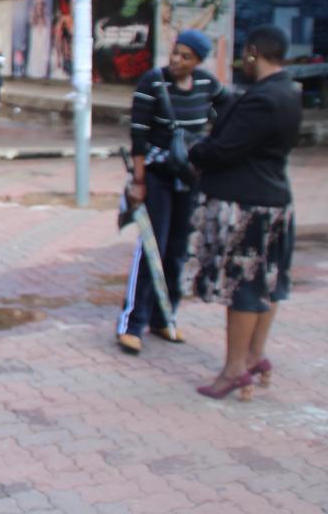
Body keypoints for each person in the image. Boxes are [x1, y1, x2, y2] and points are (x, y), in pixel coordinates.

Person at [188, 25, 302, 400]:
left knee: (244, 288)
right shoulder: (289, 91)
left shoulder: (264, 98)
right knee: (267, 283)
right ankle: (253, 356)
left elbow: (224, 149)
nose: (242, 61)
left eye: (244, 54)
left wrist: (194, 151)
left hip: (250, 204)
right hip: (274, 199)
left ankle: (235, 369)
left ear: (253, 52)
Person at [116, 29, 231, 355]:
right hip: (157, 177)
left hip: (190, 178)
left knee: (178, 250)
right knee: (153, 247)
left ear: (198, 61)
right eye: (176, 53)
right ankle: (132, 324)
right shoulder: (153, 82)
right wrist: (139, 181)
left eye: (186, 56)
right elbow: (138, 135)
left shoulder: (207, 84)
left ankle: (165, 317)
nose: (177, 60)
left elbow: (228, 110)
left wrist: (213, 146)